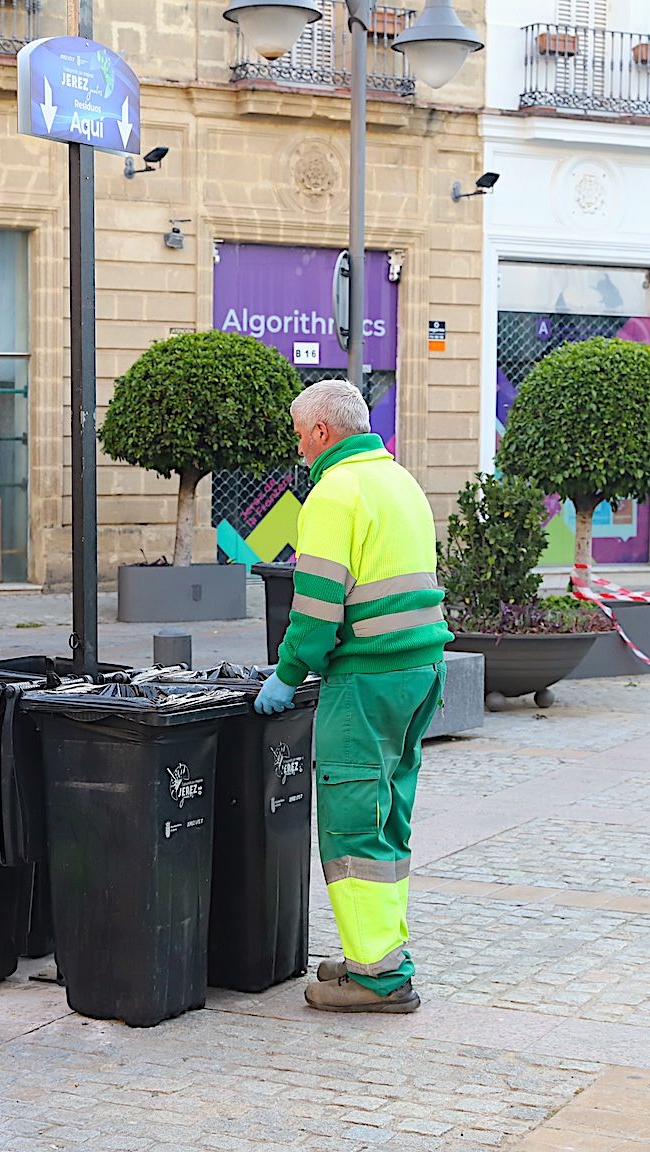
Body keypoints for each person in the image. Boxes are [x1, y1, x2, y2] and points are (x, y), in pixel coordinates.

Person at [254, 379, 450, 1014]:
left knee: (350, 826)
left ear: (319, 432)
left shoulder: (334, 493)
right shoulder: (398, 480)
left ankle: (376, 981)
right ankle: (381, 954)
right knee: (388, 818)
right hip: (420, 672)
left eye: (298, 435)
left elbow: (314, 610)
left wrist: (288, 672)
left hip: (365, 680)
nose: (298, 448)